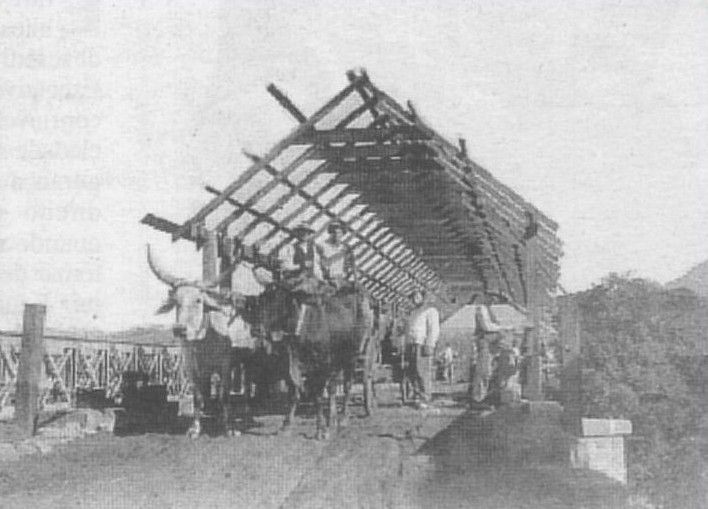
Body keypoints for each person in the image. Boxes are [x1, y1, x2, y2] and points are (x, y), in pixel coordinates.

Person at [468, 293, 512, 408]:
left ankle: (489, 394)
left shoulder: (492, 310)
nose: (494, 301)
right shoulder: (481, 309)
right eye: (492, 298)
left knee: (493, 368)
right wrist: (501, 329)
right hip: (485, 339)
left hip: (494, 340)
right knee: (483, 369)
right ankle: (478, 398)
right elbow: (486, 326)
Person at [405, 290, 440, 409]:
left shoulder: (430, 311)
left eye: (416, 296)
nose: (414, 300)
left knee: (422, 372)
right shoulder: (413, 312)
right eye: (412, 297)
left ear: (422, 297)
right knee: (413, 372)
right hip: (412, 344)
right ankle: (417, 396)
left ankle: (425, 398)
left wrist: (430, 344)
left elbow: (433, 329)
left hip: (422, 344)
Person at [319, 221, 355, 291]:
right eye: (333, 232)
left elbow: (351, 264)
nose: (336, 235)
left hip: (341, 279)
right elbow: (320, 263)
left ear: (342, 234)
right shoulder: (322, 246)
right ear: (330, 233)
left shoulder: (346, 248)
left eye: (339, 233)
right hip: (327, 279)